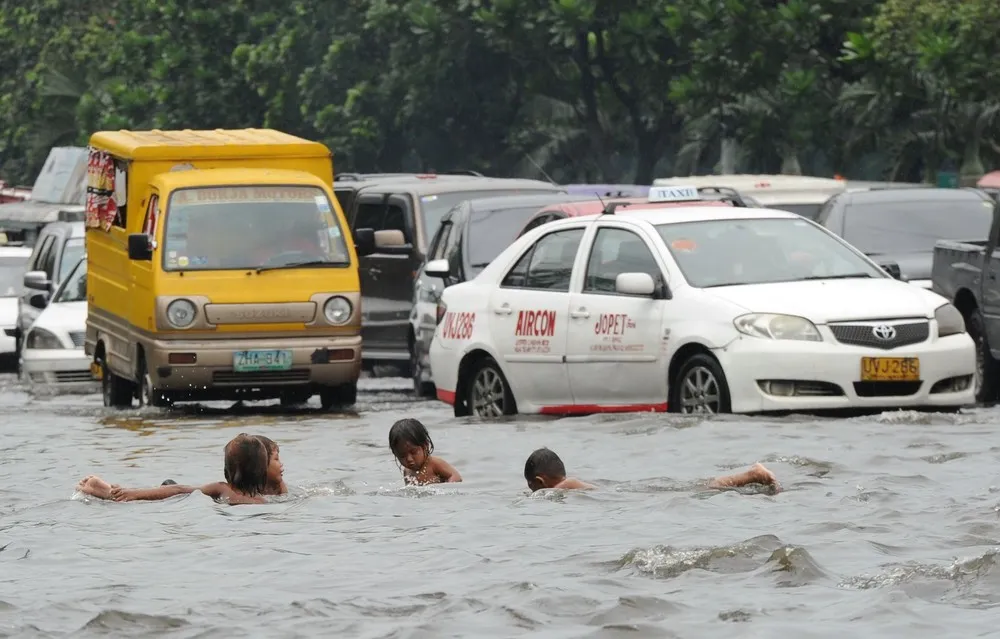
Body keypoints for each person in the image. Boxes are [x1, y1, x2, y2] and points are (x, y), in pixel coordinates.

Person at [76, 433, 278, 505]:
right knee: (169, 488)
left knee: (170, 487)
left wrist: (137, 493)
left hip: (178, 499)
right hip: (178, 498)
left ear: (227, 469)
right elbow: (180, 491)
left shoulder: (224, 489)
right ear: (261, 471)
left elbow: (181, 490)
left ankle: (115, 492)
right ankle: (117, 494)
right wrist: (134, 494)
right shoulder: (259, 502)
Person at [523, 448, 781, 493]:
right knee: (703, 487)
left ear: (539, 481)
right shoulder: (571, 486)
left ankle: (752, 475)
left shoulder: (562, 489)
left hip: (628, 495)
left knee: (707, 488)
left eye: (532, 488)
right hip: (628, 491)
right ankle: (750, 477)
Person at [388, 418, 462, 486]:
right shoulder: (407, 472)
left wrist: (446, 489)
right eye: (402, 455)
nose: (409, 459)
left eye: (413, 452)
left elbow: (456, 476)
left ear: (425, 446)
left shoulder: (434, 464)